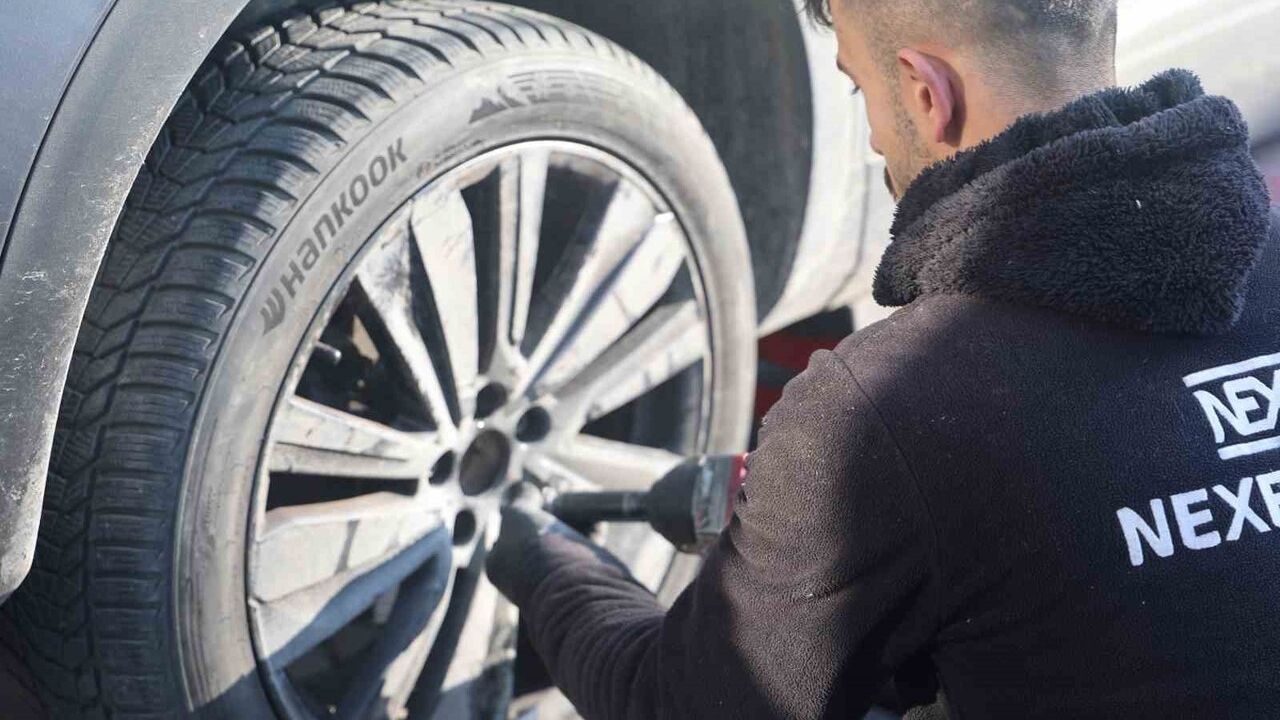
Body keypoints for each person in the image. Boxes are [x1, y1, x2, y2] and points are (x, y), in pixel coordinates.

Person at [485, 0, 1280, 717]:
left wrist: (538, 560)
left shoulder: (889, 409)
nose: (869, 136)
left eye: (859, 88)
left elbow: (670, 704)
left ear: (926, 93)